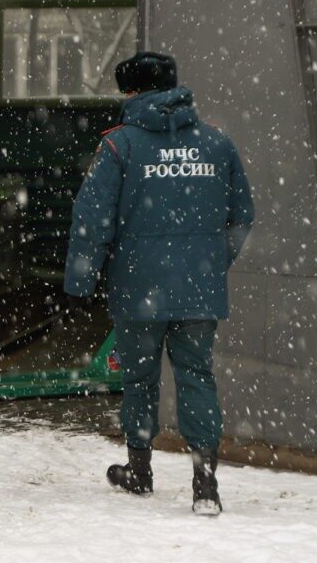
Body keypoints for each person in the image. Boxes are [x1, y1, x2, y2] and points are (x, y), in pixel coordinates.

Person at [63, 51, 254, 516]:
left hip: (138, 287)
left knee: (139, 379)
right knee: (197, 375)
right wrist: (209, 263)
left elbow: (91, 221)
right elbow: (242, 216)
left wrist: (80, 284)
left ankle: (139, 469)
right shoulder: (217, 143)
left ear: (131, 93)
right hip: (199, 290)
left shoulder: (119, 146)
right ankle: (205, 485)